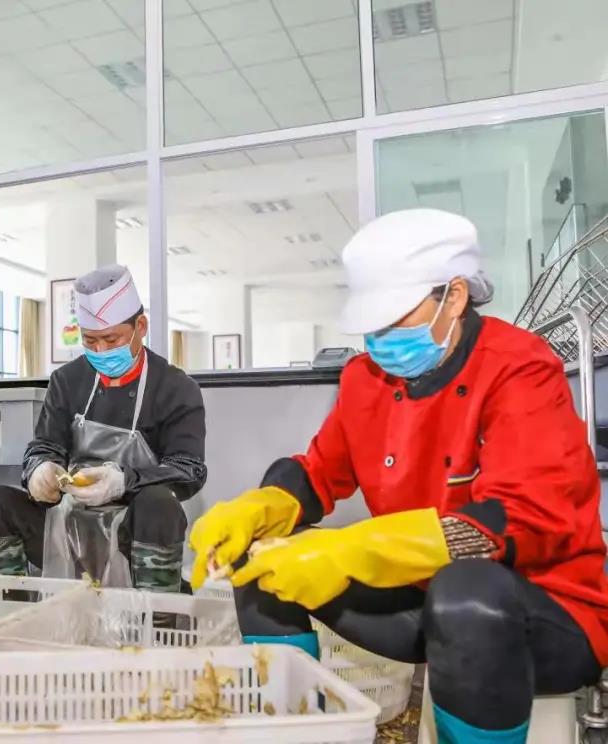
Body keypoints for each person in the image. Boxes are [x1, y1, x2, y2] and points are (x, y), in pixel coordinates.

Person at [190, 208, 608, 744]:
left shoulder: (519, 369)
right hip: (421, 598)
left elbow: (523, 520)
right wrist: (260, 507)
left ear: (453, 297)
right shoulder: (365, 379)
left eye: (394, 318)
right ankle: (292, 727)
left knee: (465, 592)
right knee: (261, 557)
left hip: (542, 610)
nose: (379, 339)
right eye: (372, 324)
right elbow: (320, 472)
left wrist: (353, 552)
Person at [0, 265, 206, 594]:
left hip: (136, 535)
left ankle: (156, 617)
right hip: (67, 530)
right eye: (90, 340)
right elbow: (45, 445)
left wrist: (123, 481)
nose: (100, 351)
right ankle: (9, 611)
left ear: (140, 327)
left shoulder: (175, 388)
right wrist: (39, 469)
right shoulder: (67, 381)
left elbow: (188, 469)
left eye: (112, 339)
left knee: (158, 504)